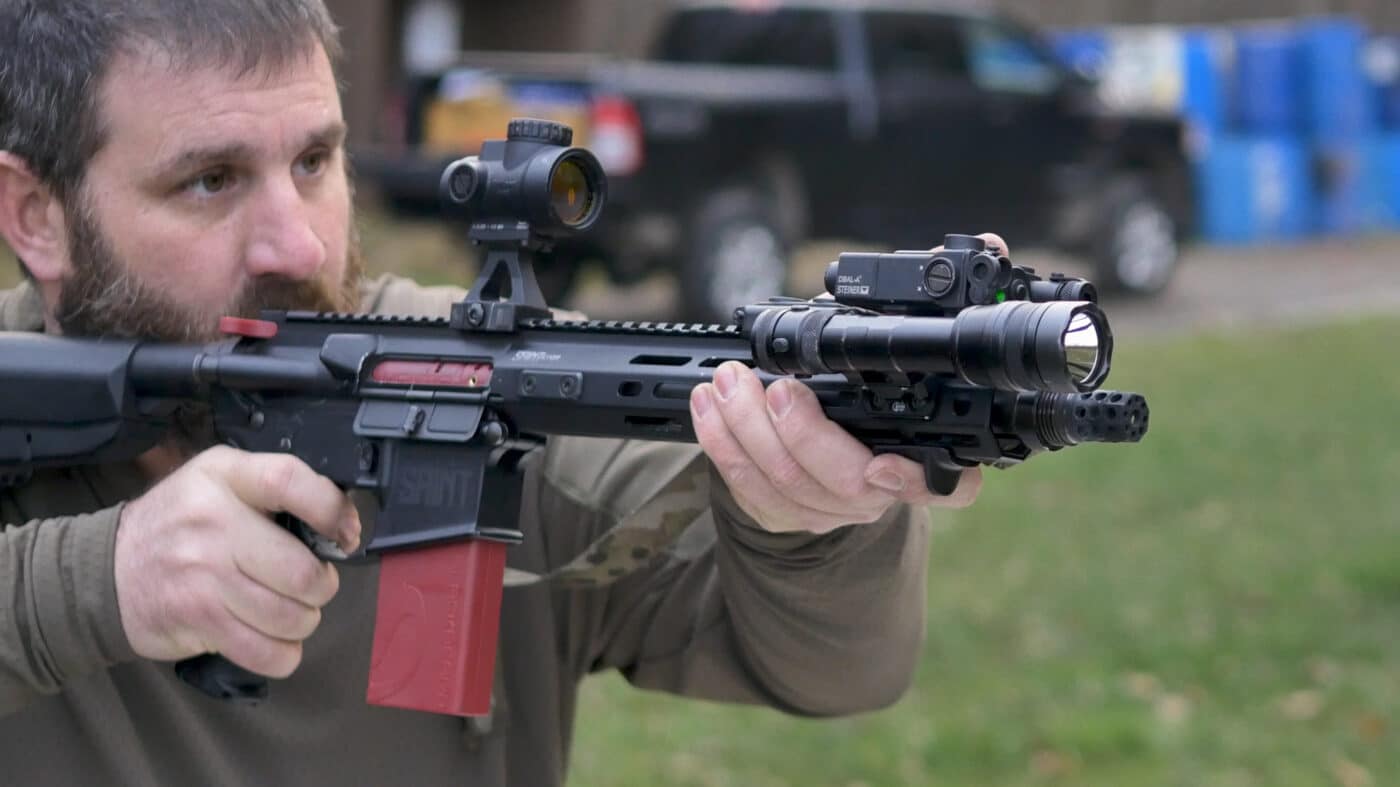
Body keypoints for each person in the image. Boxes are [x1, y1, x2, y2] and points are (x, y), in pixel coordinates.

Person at [0, 2, 983, 784]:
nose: (298, 242)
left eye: (314, 160)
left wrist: (808, 524)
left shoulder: (486, 381)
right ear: (36, 216)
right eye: (210, 180)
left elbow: (836, 670)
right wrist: (104, 582)